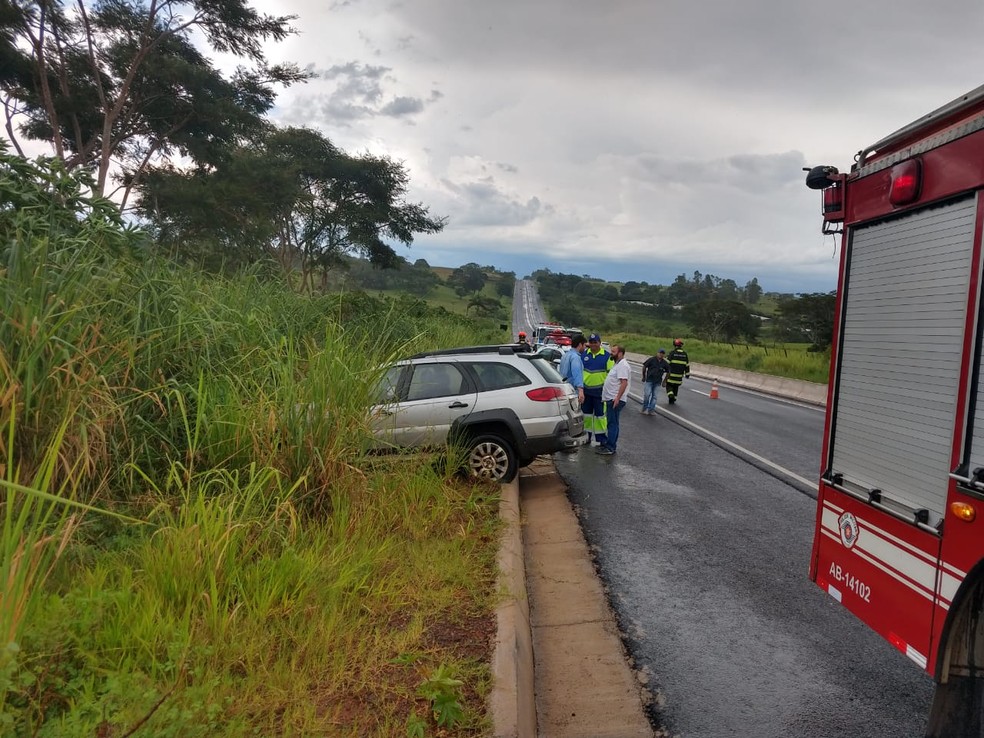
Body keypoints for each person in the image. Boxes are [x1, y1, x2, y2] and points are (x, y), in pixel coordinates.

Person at [581, 333, 614, 446]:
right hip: (586, 392)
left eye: (595, 342)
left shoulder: (607, 356)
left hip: (600, 393)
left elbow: (611, 376)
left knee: (600, 417)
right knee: (586, 416)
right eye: (591, 342)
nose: (593, 344)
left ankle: (602, 439)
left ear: (600, 343)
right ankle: (587, 436)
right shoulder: (584, 354)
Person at [597, 344, 630, 455]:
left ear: (620, 353)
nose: (611, 353)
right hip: (611, 398)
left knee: (612, 423)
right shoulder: (617, 364)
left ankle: (610, 447)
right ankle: (610, 445)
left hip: (614, 399)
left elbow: (624, 382)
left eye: (613, 352)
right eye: (611, 351)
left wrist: (617, 398)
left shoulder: (623, 366)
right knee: (613, 423)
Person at [559, 334, 586, 406]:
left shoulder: (565, 355)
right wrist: (581, 391)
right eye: (584, 345)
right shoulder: (575, 357)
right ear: (580, 344)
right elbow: (577, 374)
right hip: (572, 391)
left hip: (564, 390)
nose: (585, 348)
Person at [641, 348, 670, 415]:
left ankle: (651, 410)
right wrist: (644, 376)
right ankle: (644, 409)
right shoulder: (652, 360)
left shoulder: (664, 363)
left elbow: (668, 372)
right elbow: (644, 366)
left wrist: (665, 381)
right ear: (657, 353)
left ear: (664, 355)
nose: (661, 354)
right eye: (660, 353)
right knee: (647, 395)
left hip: (657, 382)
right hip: (649, 380)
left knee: (654, 396)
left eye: (662, 353)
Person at [665, 339, 690, 404]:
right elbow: (687, 365)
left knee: (669, 386)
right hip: (679, 377)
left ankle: (671, 395)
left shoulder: (672, 353)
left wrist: (663, 369)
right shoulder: (685, 354)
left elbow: (667, 363)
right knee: (676, 387)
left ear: (674, 345)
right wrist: (687, 374)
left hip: (671, 376)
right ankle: (674, 398)